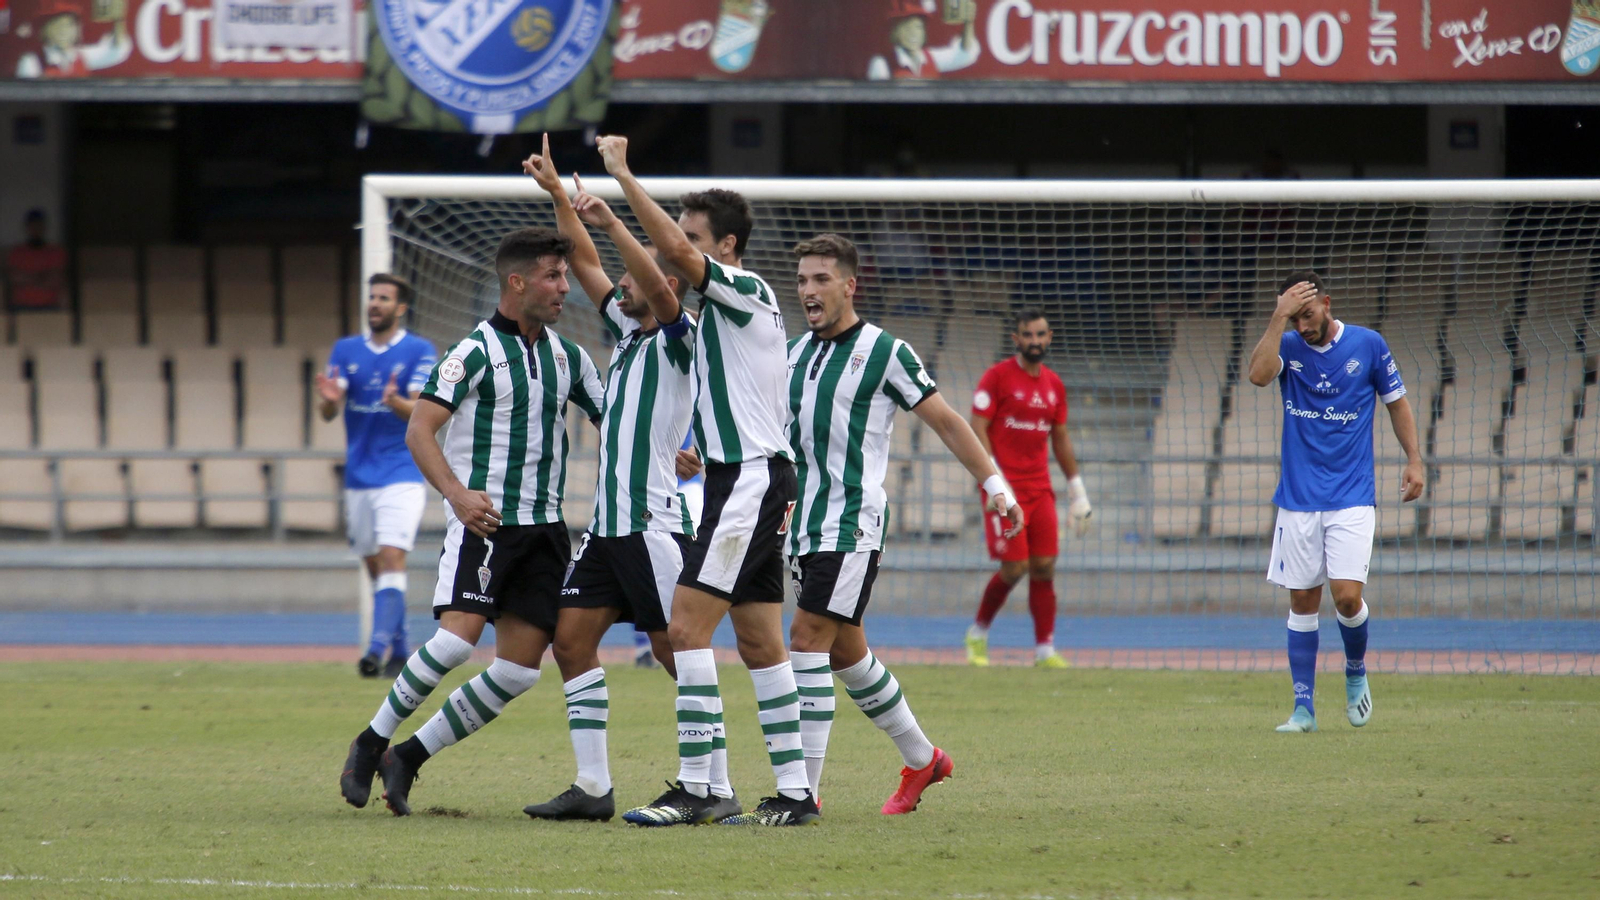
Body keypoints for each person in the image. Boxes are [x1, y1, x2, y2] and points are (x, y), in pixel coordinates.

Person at [337, 227, 603, 816]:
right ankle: (371, 740)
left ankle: (408, 756)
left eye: (565, 276)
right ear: (517, 282)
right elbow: (419, 428)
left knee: (517, 673)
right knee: (457, 642)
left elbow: (617, 416)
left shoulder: (570, 357)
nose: (565, 287)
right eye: (553, 277)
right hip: (487, 523)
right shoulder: (472, 352)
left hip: (547, 530)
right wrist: (457, 495)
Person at [596, 134, 811, 828]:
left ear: (726, 247)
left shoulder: (744, 290)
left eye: (690, 236)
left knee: (685, 631)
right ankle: (797, 791)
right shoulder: (709, 318)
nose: (675, 247)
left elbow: (676, 263)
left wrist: (625, 177)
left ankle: (701, 789)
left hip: (749, 482)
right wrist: (602, 222)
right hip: (743, 479)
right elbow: (661, 282)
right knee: (758, 643)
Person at [784, 233, 1022, 815]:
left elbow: (945, 420)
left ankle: (802, 794)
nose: (808, 290)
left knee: (806, 642)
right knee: (846, 655)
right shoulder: (791, 354)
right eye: (801, 280)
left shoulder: (885, 351)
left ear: (849, 285)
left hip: (852, 522)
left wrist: (994, 485)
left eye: (820, 279)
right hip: (799, 524)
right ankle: (924, 760)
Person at [515, 136, 706, 822]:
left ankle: (709, 780)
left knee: (673, 649)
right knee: (570, 643)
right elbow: (590, 259)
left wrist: (615, 212)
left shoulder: (682, 340)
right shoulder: (629, 338)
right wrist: (561, 198)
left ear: (665, 290)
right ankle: (593, 786)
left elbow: (644, 274)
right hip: (606, 530)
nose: (613, 286)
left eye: (631, 282)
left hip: (653, 523)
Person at [1245, 271, 1423, 733]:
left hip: (1351, 495)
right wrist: (1278, 317)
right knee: (1303, 602)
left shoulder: (1368, 344)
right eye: (1295, 318)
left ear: (1327, 302)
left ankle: (1355, 669)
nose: (1302, 326)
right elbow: (1258, 376)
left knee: (1346, 599)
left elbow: (1397, 402)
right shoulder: (1285, 344)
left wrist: (1414, 459)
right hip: (1299, 498)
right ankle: (1303, 709)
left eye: (1308, 314)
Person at [315, 274, 436, 679]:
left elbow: (420, 412)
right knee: (375, 567)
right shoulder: (346, 349)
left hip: (402, 472)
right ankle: (400, 653)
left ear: (400, 308)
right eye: (371, 297)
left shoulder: (420, 351)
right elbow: (329, 409)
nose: (375, 304)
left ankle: (374, 649)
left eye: (384, 298)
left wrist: (395, 401)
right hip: (359, 476)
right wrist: (329, 403)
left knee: (391, 557)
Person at [965, 311, 1092, 668]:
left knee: (1044, 566)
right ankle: (977, 633)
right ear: (1016, 338)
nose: (1034, 341)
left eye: (1040, 334)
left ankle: (1044, 650)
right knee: (1015, 568)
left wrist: (1078, 491)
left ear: (1049, 336)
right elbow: (978, 428)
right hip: (1004, 491)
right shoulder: (997, 378)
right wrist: (993, 484)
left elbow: (1061, 439)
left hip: (1041, 489)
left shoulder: (1054, 385)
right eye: (1027, 335)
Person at [14, 0, 132, 78]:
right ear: (45, 31)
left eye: (69, 26)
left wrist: (118, 21)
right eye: (57, 26)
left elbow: (115, 51)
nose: (63, 31)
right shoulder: (31, 62)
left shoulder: (81, 56)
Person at [866, 0, 978, 80]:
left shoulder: (931, 58)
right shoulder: (882, 64)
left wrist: (968, 23)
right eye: (907, 28)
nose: (913, 34)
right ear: (896, 32)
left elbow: (964, 55)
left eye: (918, 27)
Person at [5, 209, 67, 310]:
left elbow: (56, 279)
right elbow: (14, 278)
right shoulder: (16, 253)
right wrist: (41, 276)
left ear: (44, 227)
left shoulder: (56, 252)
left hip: (50, 307)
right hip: (20, 307)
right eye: (32, 225)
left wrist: (27, 277)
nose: (36, 229)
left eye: (39, 225)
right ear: (27, 227)